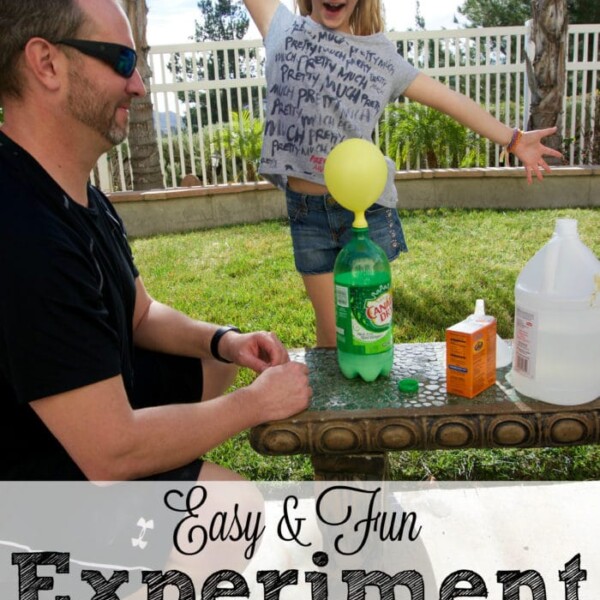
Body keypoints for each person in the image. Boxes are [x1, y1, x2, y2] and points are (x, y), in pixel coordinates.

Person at [0, 0, 312, 483]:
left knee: (212, 364)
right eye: (122, 61)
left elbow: (139, 313)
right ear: (46, 63)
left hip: (75, 422)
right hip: (29, 487)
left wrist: (225, 342)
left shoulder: (80, 195)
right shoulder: (22, 228)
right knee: (229, 510)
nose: (139, 84)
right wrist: (256, 403)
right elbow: (109, 453)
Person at [242, 0, 564, 348]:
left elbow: (448, 99)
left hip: (364, 212)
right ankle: (336, 399)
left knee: (366, 329)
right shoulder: (283, 29)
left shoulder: (381, 58)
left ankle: (368, 394)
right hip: (307, 212)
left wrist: (513, 139)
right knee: (331, 333)